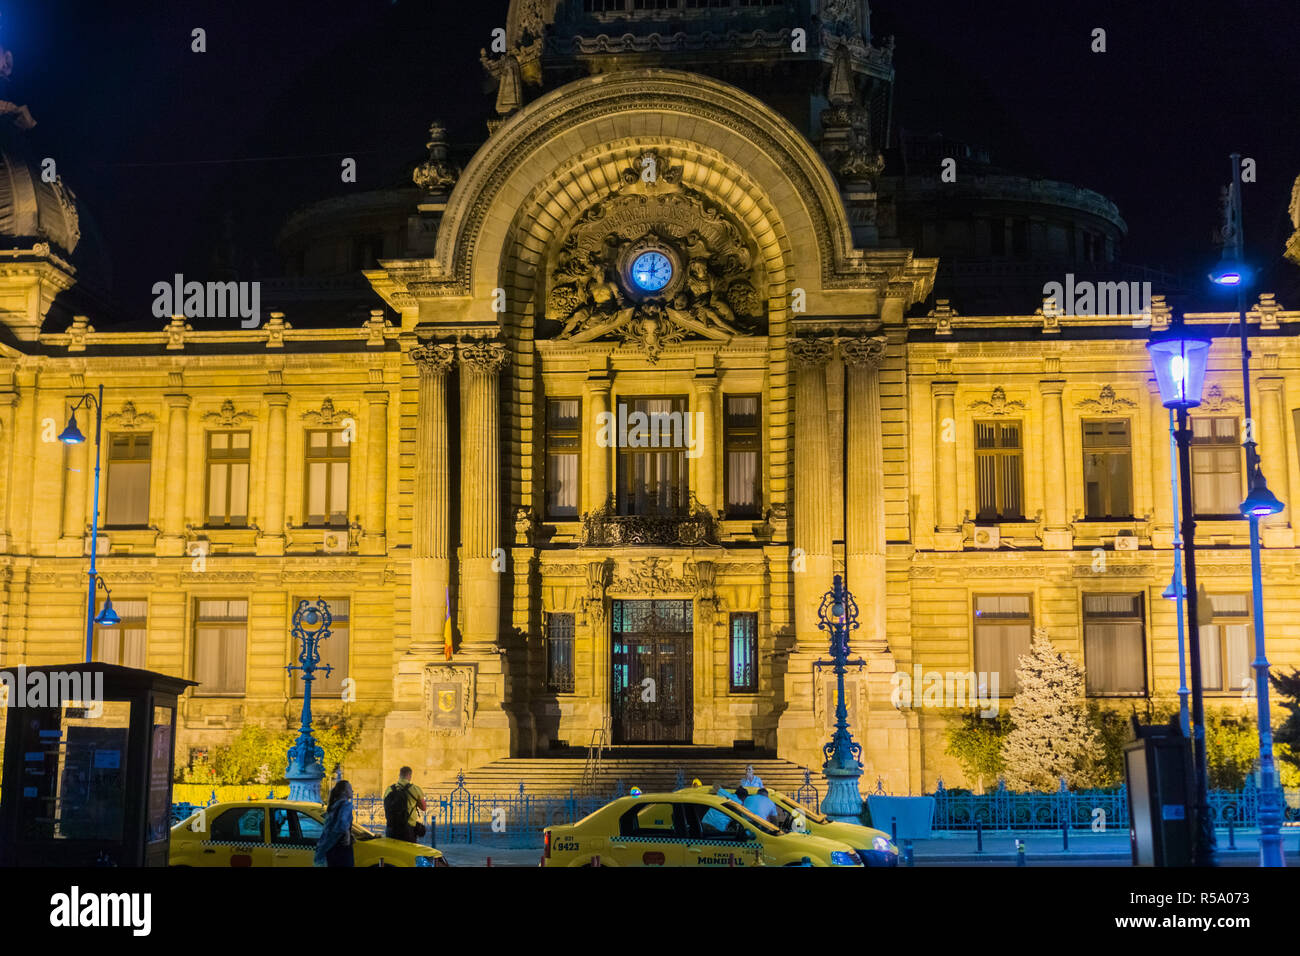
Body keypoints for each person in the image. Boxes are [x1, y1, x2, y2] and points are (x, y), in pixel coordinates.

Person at [315, 780, 354, 867]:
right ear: (344, 791)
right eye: (350, 788)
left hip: (331, 848)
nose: (352, 791)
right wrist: (347, 834)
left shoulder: (334, 805)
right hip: (342, 848)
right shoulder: (346, 804)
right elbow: (342, 823)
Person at [383, 766, 428, 842]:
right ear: (409, 775)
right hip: (407, 830)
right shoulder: (415, 789)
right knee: (409, 852)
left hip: (391, 828)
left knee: (392, 853)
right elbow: (424, 807)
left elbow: (386, 805)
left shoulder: (389, 789)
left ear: (399, 775)